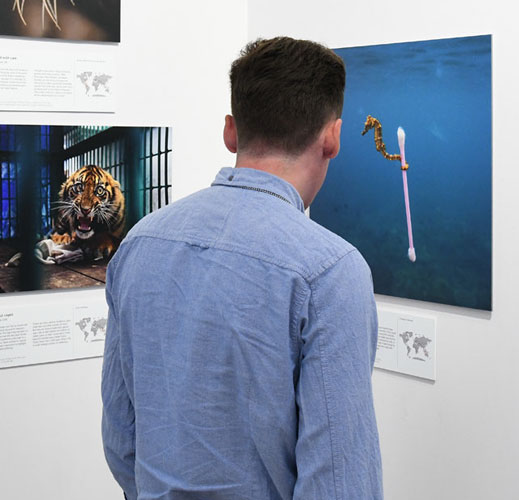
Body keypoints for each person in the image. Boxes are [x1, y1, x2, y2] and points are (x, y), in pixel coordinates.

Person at [101, 37, 383, 499]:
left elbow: (120, 437)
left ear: (230, 131)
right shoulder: (331, 272)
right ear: (331, 137)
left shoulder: (140, 242)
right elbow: (339, 484)